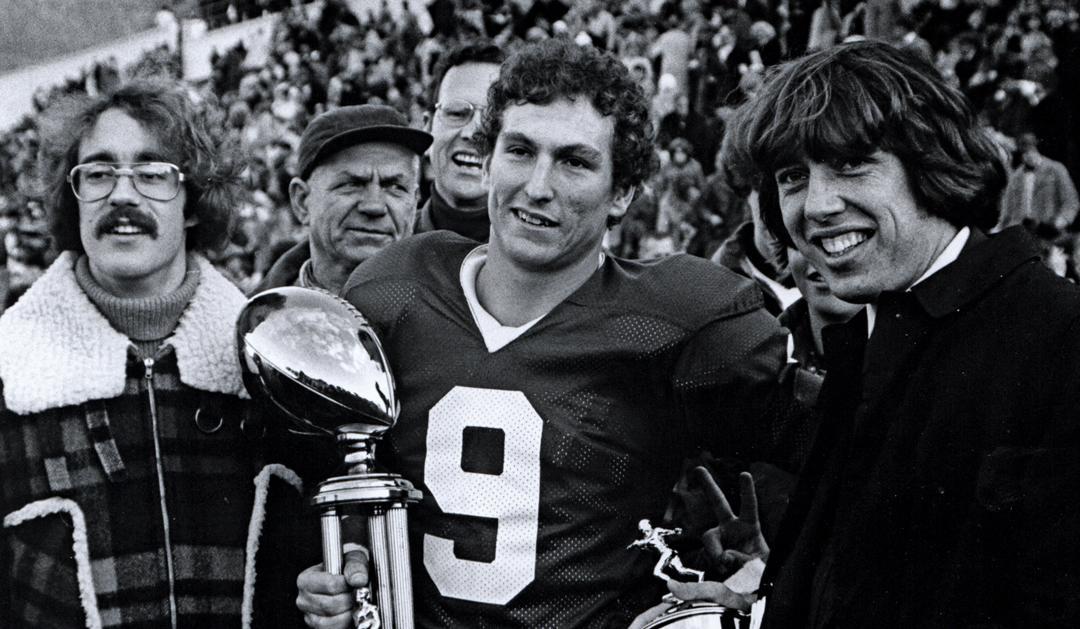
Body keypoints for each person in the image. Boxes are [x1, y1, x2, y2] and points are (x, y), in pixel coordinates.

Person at [297, 39, 788, 627]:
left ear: (623, 193)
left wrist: (766, 579)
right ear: (489, 158)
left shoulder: (679, 316)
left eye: (575, 161)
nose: (537, 185)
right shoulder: (395, 287)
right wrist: (348, 568)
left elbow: (842, 441)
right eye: (520, 150)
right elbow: (349, 476)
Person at [644, 41, 1080, 628]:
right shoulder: (869, 334)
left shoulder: (1061, 339)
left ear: (932, 163)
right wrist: (778, 599)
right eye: (793, 176)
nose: (818, 205)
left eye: (851, 163)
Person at [0, 80, 307, 628]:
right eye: (98, 172)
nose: (121, 194)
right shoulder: (11, 372)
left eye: (152, 172)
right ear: (73, 200)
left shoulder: (269, 367)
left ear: (193, 202)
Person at [254, 104, 431, 293]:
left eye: (396, 187)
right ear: (302, 201)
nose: (374, 206)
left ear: (414, 202)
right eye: (351, 184)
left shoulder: (455, 315)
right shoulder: (254, 319)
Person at [413, 40, 504, 241]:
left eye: (494, 120)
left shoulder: (547, 260)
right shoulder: (386, 249)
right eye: (456, 112)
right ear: (427, 128)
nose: (473, 132)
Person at [998, 132, 1079, 234]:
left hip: (1050, 232)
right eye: (1024, 152)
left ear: (1037, 148)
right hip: (1023, 233)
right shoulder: (1016, 176)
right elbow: (1007, 209)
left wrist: (1059, 222)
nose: (1028, 155)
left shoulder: (1056, 169)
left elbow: (1071, 202)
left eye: (1031, 150)